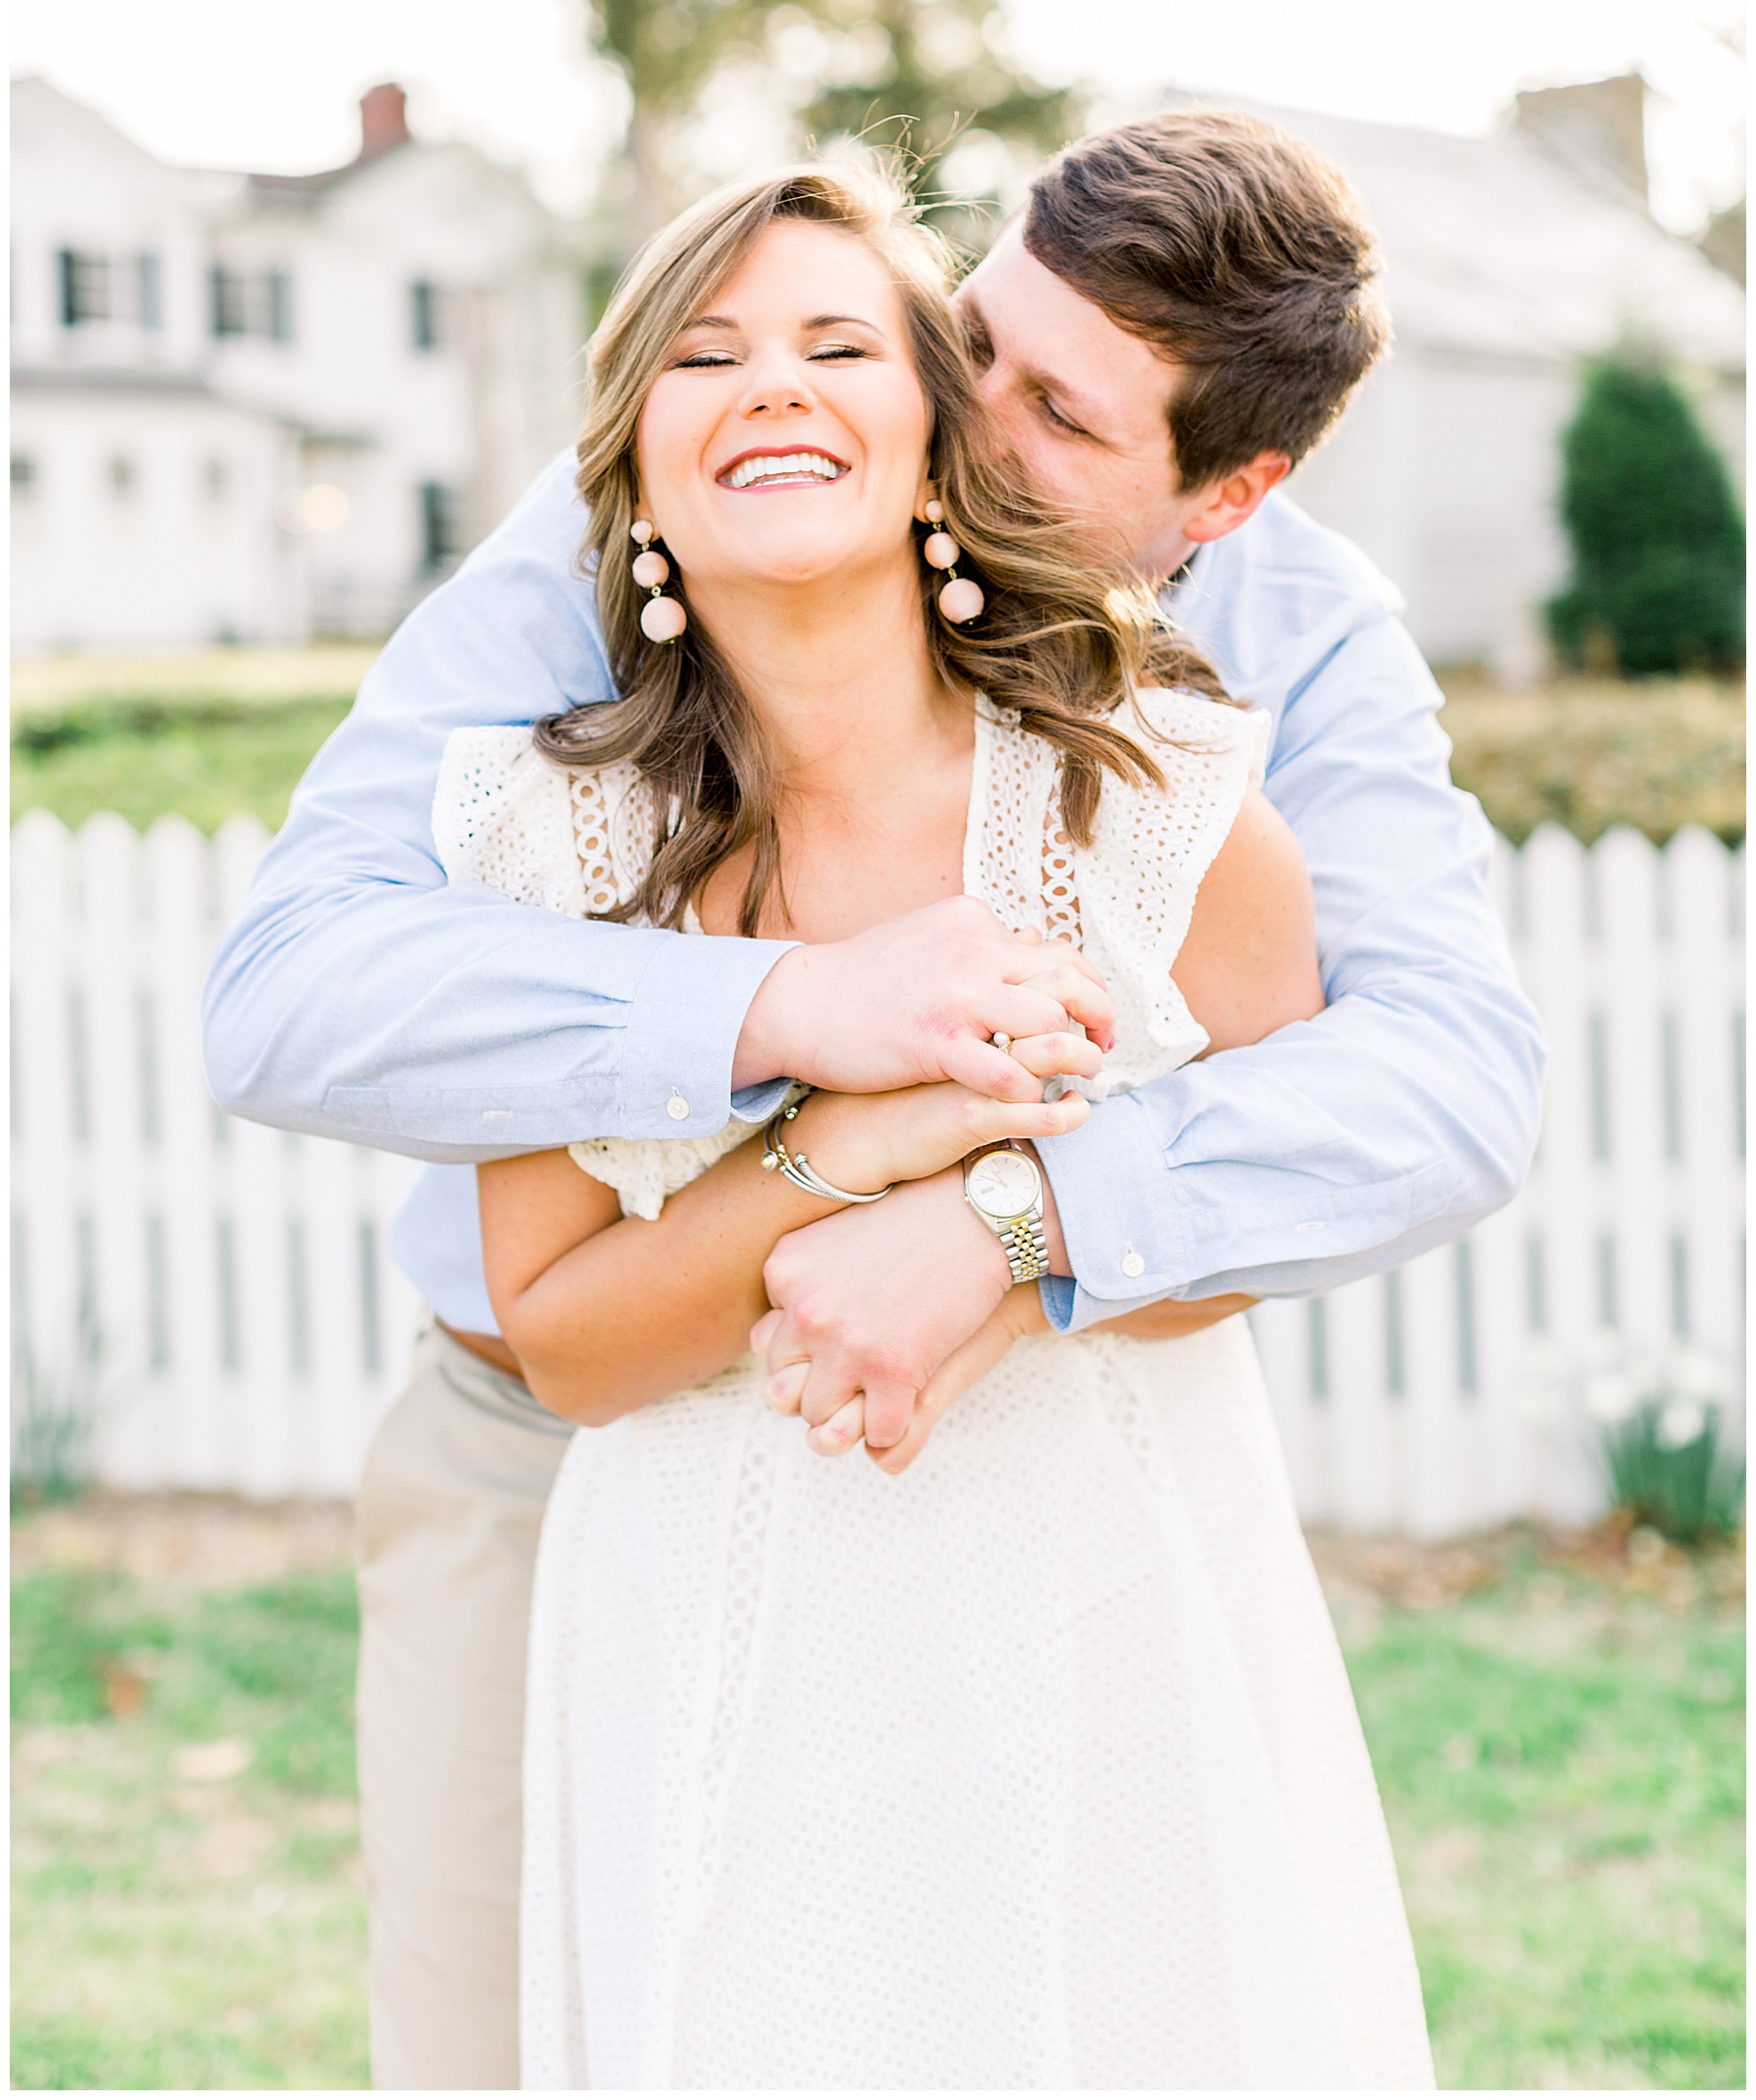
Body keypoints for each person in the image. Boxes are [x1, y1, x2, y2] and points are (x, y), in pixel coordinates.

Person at [202, 111, 1543, 2089]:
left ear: (1226, 493)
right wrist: (796, 1014)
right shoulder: (684, 502)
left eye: (1059, 415)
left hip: (1026, 1485)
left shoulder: (1257, 684)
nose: (958, 414)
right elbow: (293, 993)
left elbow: (1437, 1082)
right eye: (968, 336)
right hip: (555, 1450)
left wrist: (1009, 1221)